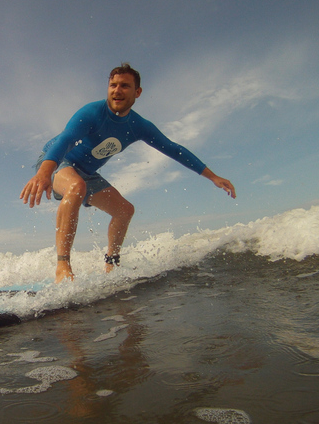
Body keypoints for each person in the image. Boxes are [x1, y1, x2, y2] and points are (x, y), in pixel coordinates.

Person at [20, 63, 236, 283]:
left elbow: (173, 149)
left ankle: (111, 264)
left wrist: (213, 176)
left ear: (137, 92)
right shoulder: (92, 113)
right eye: (113, 85)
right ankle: (62, 266)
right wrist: (45, 173)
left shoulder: (138, 125)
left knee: (125, 210)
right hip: (57, 161)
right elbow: (65, 140)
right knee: (76, 187)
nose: (117, 90)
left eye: (124, 86)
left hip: (87, 172)